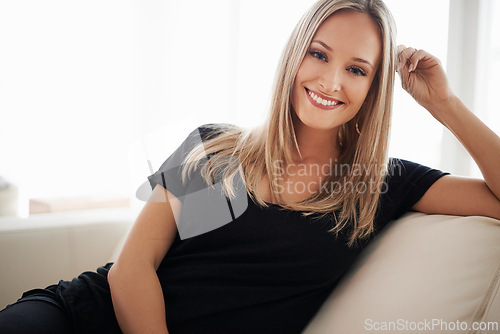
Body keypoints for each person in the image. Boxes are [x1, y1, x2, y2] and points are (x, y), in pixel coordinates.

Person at [1, 0, 499, 333]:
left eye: (356, 69)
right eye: (318, 54)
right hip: (81, 317)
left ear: (374, 88)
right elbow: (132, 269)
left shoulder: (378, 183)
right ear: (293, 58)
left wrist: (445, 105)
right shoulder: (218, 151)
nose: (330, 81)